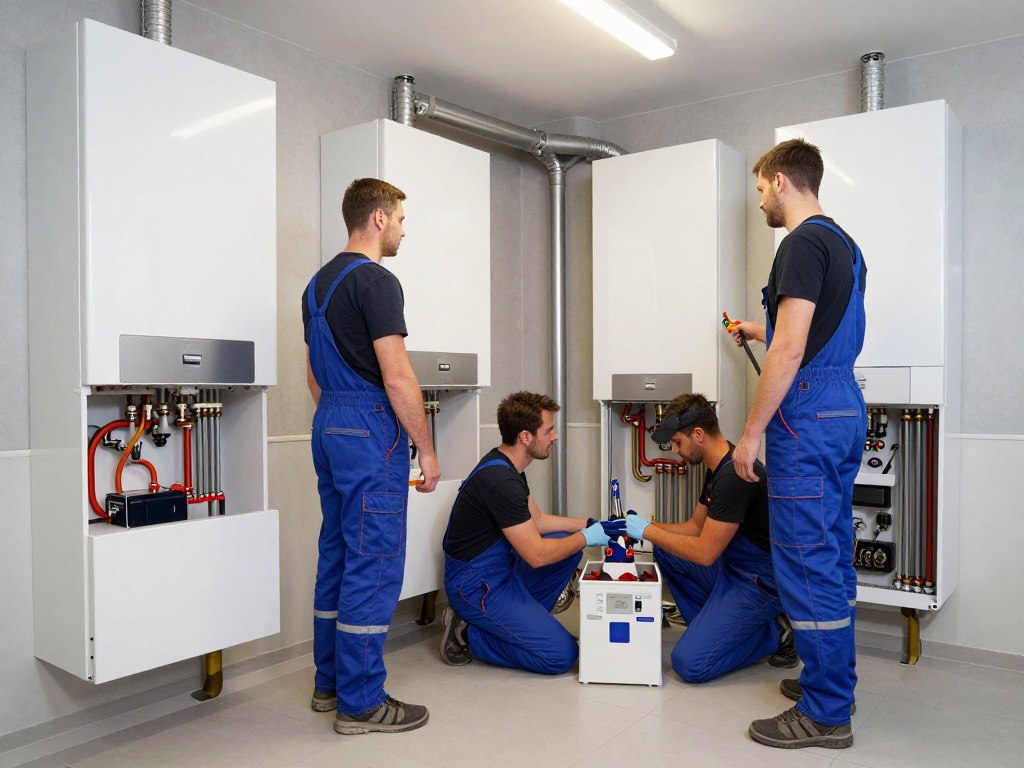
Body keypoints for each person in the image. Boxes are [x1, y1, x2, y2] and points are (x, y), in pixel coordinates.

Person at [729, 139, 867, 750]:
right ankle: (832, 682)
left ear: (781, 180)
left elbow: (789, 350)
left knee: (806, 561)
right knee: (830, 553)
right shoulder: (844, 245)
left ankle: (826, 712)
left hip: (806, 416)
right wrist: (756, 327)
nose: (761, 200)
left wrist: (751, 433)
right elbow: (814, 330)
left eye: (761, 188)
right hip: (842, 406)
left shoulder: (799, 243)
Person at [302, 177, 441, 735]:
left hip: (329, 424)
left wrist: (339, 421)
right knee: (374, 560)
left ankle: (328, 684)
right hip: (367, 426)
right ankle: (361, 703)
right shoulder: (377, 281)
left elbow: (314, 378)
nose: (404, 230)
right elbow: (398, 376)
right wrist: (425, 449)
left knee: (337, 554)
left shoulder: (316, 286)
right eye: (401, 219)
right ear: (379, 218)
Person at [439, 391, 624, 674]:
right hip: (475, 586)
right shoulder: (500, 481)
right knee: (561, 655)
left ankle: (520, 626)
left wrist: (589, 524)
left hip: (500, 572)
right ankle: (468, 634)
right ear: (526, 436)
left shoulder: (508, 466)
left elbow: (536, 521)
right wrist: (587, 538)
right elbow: (537, 556)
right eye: (548, 431)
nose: (554, 436)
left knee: (565, 545)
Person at [624, 393, 796, 684]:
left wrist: (647, 532)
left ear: (698, 434)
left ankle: (774, 633)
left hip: (758, 581)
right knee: (665, 550)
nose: (675, 450)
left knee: (689, 663)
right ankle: (715, 630)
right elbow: (694, 527)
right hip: (731, 568)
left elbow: (705, 553)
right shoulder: (718, 466)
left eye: (677, 442)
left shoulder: (734, 477)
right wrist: (641, 526)